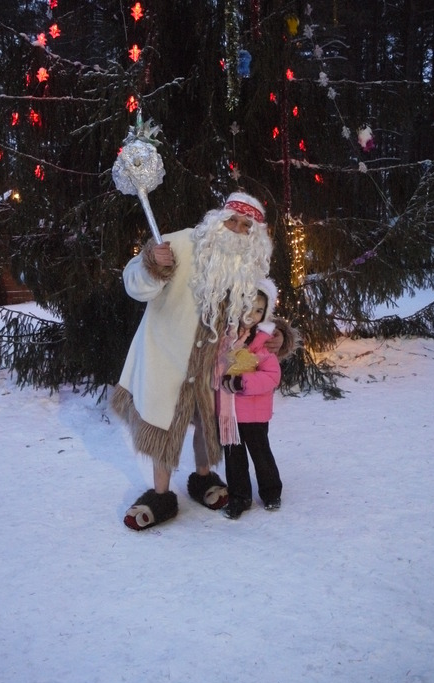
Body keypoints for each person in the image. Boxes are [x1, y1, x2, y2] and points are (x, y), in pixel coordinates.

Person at [112, 192, 297, 530]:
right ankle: (160, 493)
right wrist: (152, 264)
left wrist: (276, 335)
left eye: (246, 226)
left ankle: (203, 478)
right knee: (163, 426)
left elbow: (259, 313)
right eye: (232, 220)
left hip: (215, 365)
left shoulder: (249, 267)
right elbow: (134, 285)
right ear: (218, 218)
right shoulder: (181, 243)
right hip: (166, 355)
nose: (237, 230)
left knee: (208, 427)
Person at [215, 279, 284, 520]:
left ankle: (271, 491)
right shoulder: (225, 339)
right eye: (248, 307)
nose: (252, 315)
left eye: (259, 310)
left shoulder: (264, 342)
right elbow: (214, 368)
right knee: (234, 459)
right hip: (229, 414)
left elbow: (271, 376)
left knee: (260, 453)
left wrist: (241, 382)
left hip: (254, 413)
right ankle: (239, 497)